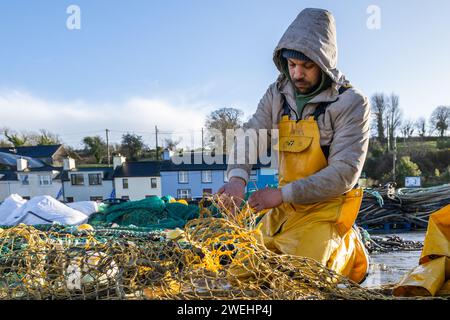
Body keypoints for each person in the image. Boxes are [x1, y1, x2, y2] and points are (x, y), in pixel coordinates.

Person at [218, 8, 370, 283]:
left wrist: (283, 194)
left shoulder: (352, 103)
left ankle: (349, 246)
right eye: (292, 65)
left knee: (302, 279)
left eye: (307, 66)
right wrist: (237, 178)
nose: (297, 74)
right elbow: (252, 134)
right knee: (241, 277)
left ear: (325, 63)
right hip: (281, 213)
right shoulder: (276, 94)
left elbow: (345, 173)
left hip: (324, 211)